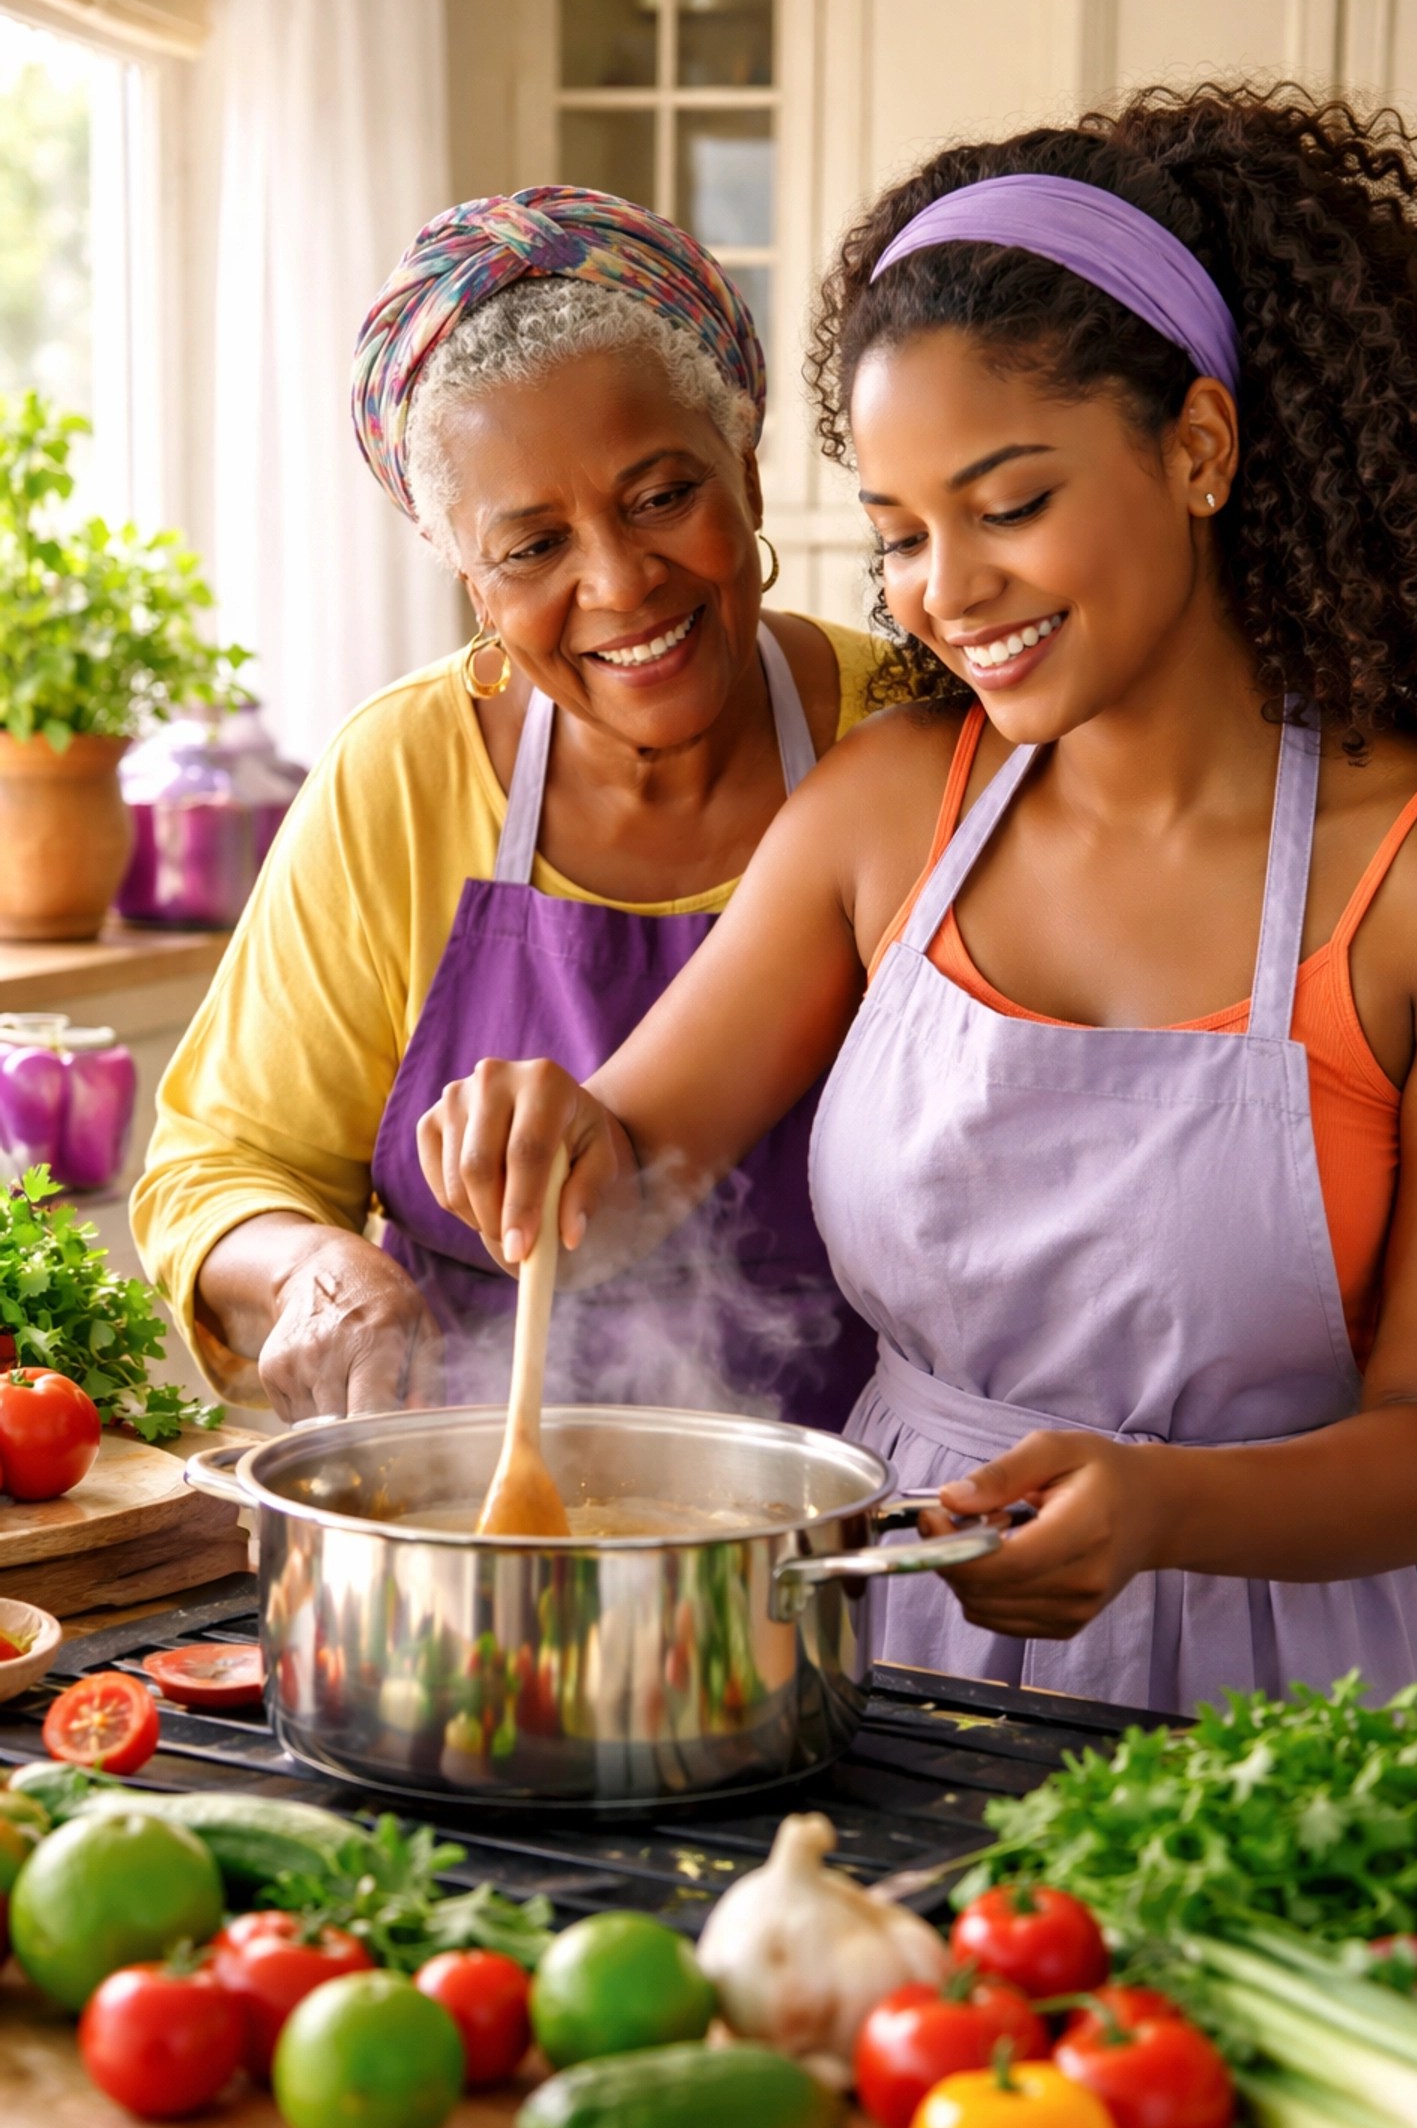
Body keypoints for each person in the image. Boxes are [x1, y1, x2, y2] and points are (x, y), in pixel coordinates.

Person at [418, 89, 1417, 1718]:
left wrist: (1164, 1512)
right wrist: (538, 1134)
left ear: (1200, 448)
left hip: (1292, 1691)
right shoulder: (885, 811)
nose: (947, 588)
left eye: (1008, 504)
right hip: (895, 1643)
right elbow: (626, 1163)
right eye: (899, 533)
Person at [131, 189, 886, 1427]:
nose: (620, 581)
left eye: (660, 496)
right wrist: (325, 1273)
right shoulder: (400, 775)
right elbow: (222, 1168)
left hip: (863, 1510)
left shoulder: (908, 734)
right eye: (532, 547)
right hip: (473, 1512)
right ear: (468, 578)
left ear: (745, 469)